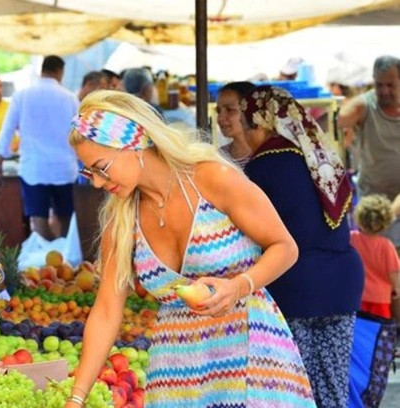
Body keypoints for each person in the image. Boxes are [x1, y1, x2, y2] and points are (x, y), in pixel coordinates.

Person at [65, 90, 314, 408]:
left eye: (101, 168)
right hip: (177, 374)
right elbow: (106, 311)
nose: (97, 184)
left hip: (251, 357)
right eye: (89, 173)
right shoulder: (122, 220)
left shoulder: (211, 178)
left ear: (134, 142)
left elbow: (285, 247)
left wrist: (239, 286)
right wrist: (76, 398)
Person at [242, 86, 363, 408]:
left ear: (262, 123)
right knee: (332, 390)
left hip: (295, 287)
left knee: (294, 390)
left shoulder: (263, 165)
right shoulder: (319, 157)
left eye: (246, 124)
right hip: (342, 286)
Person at [0, 55, 78, 240]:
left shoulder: (22, 96)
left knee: (38, 220)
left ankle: (43, 260)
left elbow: (7, 130)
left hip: (34, 169)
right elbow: (80, 136)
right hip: (64, 168)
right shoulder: (70, 98)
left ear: (43, 70)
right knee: (65, 220)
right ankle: (64, 259)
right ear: (59, 72)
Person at [338, 55, 400, 200]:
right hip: (373, 198)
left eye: (390, 85)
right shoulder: (363, 106)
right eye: (379, 85)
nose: (384, 91)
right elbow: (334, 121)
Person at [350, 195, 400, 319]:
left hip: (356, 294)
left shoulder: (352, 238)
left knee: (359, 330)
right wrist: (397, 288)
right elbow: (394, 272)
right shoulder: (386, 246)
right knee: (377, 331)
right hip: (380, 298)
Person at [216, 81, 254, 168]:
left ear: (250, 111)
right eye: (218, 111)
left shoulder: (267, 157)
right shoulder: (218, 157)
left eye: (230, 110)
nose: (220, 118)